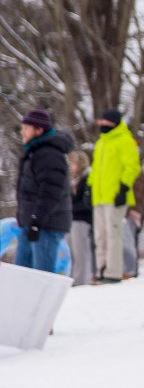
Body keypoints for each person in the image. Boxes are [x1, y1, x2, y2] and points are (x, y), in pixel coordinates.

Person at [14, 106, 73, 274]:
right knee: (21, 275)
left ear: (39, 130)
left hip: (46, 225)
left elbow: (51, 192)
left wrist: (37, 221)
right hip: (31, 224)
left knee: (41, 276)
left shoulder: (49, 154)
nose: (22, 132)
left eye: (26, 128)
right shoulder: (34, 152)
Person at [88, 109, 141, 284]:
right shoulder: (101, 143)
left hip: (114, 196)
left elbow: (132, 166)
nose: (102, 125)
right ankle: (101, 269)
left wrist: (124, 188)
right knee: (100, 236)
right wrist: (90, 188)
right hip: (99, 196)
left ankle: (113, 271)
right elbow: (95, 169)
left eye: (105, 122)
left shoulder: (125, 140)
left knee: (113, 234)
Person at [67, 149, 94, 286]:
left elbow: (86, 203)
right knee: (71, 252)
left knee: (80, 252)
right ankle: (72, 278)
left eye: (73, 163)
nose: (71, 166)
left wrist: (70, 208)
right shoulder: (72, 181)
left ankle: (81, 281)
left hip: (82, 220)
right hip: (71, 220)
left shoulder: (87, 179)